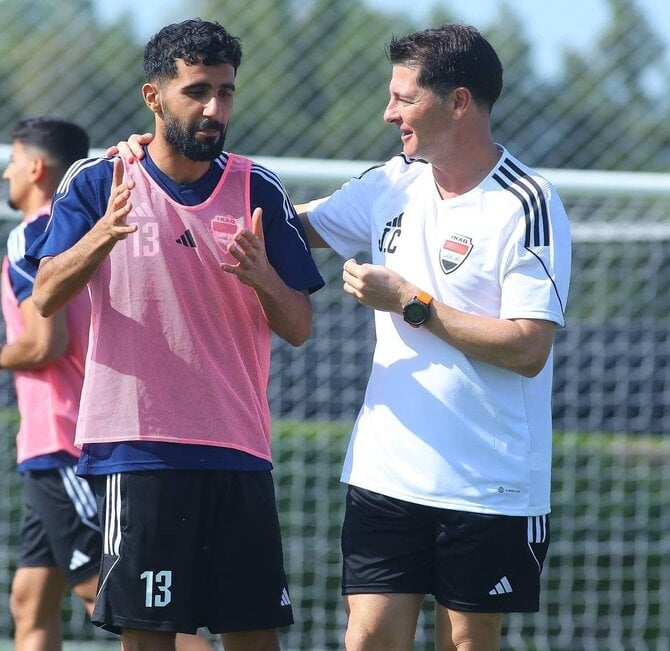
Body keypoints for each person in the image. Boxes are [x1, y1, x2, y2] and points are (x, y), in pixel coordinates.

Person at [116, 22, 572, 651]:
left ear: (458, 102)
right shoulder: (394, 183)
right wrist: (169, 166)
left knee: (468, 641)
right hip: (387, 473)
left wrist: (412, 304)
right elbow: (280, 224)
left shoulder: (527, 203)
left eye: (405, 99)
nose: (389, 113)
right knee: (367, 640)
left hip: (488, 480)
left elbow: (529, 348)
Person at [26, 18, 324, 651]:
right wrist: (101, 236)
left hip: (238, 447)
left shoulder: (257, 187)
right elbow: (47, 295)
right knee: (152, 638)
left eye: (226, 91)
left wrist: (264, 277)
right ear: (153, 96)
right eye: (197, 91)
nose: (215, 108)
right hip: (140, 450)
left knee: (254, 639)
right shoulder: (98, 180)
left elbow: (299, 327)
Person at [0, 117, 100, 650]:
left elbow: (47, 342)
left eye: (12, 161)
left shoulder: (34, 234)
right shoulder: (82, 230)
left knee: (109, 598)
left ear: (37, 169)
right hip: (58, 444)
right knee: (31, 597)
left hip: (66, 441)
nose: (4, 174)